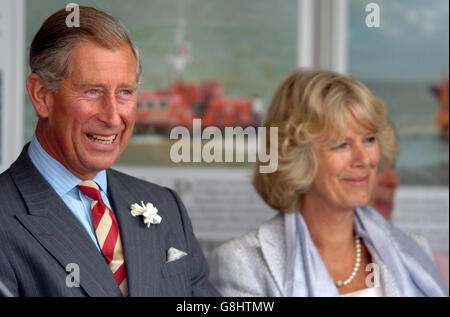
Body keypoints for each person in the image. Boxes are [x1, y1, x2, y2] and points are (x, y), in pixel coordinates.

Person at [0, 6, 219, 297]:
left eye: (125, 92)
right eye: (93, 91)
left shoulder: (166, 207)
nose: (113, 117)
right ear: (42, 96)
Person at [208, 69, 448, 297]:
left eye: (369, 139)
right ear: (297, 156)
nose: (363, 159)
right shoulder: (242, 263)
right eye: (342, 144)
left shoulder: (414, 251)